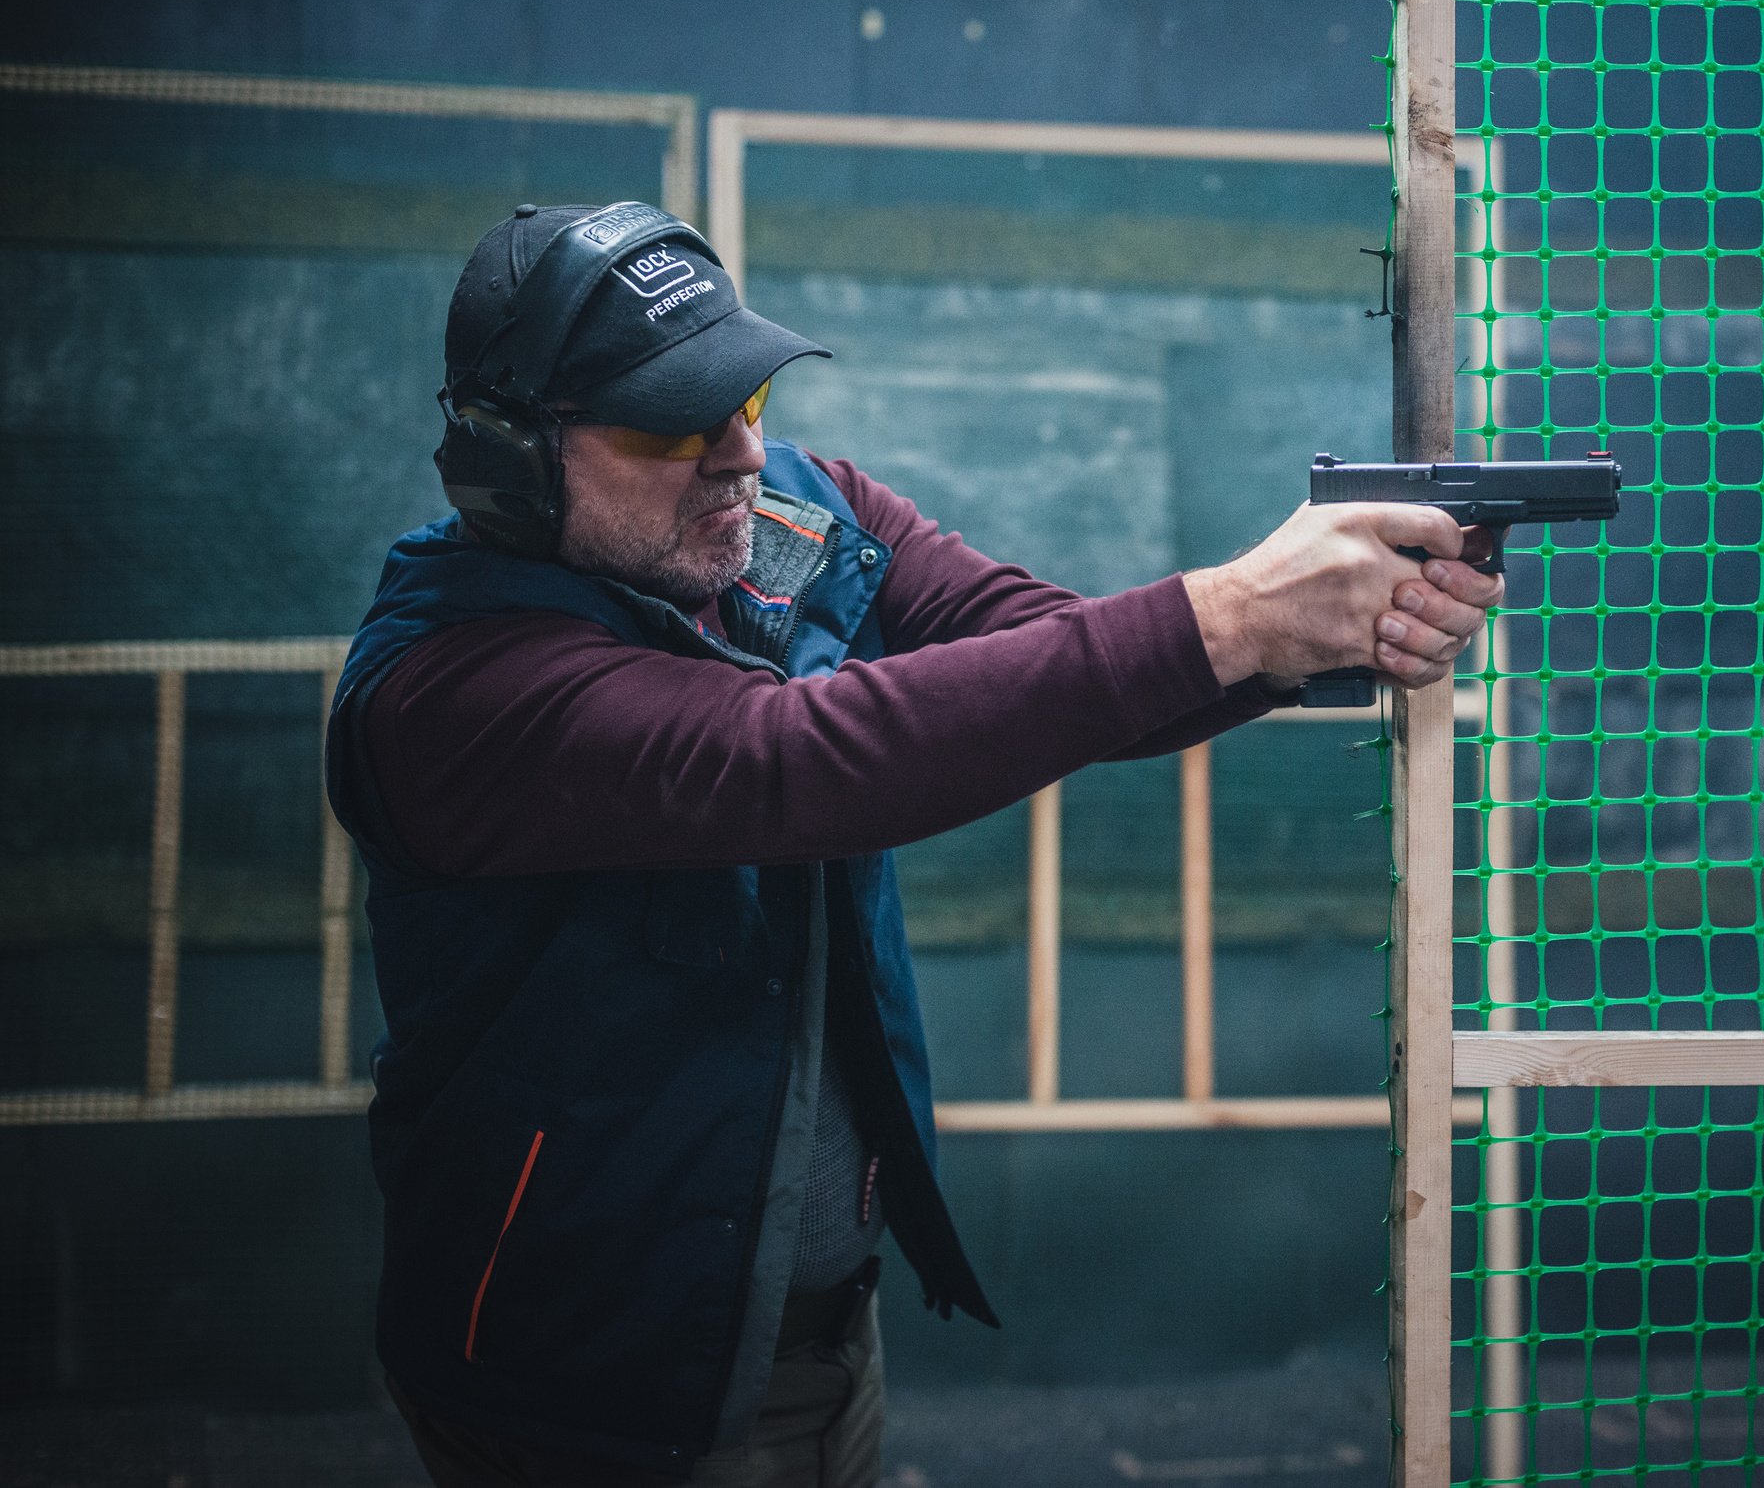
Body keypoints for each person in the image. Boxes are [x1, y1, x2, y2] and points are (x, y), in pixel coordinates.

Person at [322, 203, 1498, 1488]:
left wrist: (1312, 630)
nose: (738, 453)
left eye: (746, 394)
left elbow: (1051, 650)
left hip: (819, 1341)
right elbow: (795, 760)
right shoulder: (452, 686)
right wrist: (1235, 614)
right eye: (669, 422)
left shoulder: (792, 511)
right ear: (513, 459)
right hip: (583, 1387)